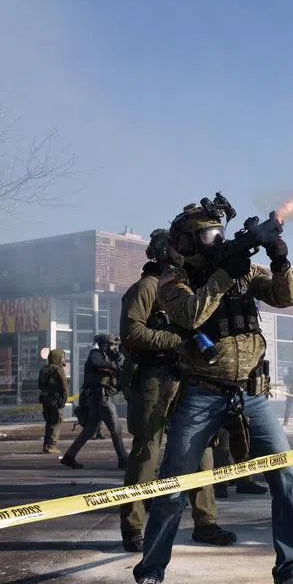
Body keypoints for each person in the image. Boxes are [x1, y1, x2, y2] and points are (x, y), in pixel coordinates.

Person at [133, 197, 293, 584]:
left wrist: (280, 259)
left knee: (285, 478)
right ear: (188, 240)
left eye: (220, 234)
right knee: (173, 486)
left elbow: (284, 297)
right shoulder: (173, 279)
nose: (217, 240)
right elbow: (189, 315)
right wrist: (221, 276)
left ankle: (290, 570)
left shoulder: (242, 271)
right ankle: (150, 574)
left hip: (251, 393)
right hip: (201, 393)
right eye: (209, 235)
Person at [118, 228, 236, 552]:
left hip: (188, 377)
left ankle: (206, 522)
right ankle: (133, 527)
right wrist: (176, 341)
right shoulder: (146, 288)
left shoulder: (183, 288)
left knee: (201, 450)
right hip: (155, 379)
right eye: (173, 247)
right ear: (161, 252)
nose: (181, 252)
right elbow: (130, 333)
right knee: (146, 453)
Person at [61, 334, 128, 470]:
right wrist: (114, 364)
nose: (113, 347)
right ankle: (123, 459)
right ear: (104, 345)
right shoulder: (95, 354)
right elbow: (97, 363)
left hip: (97, 399)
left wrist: (119, 359)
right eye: (111, 345)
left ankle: (69, 456)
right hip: (100, 398)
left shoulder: (107, 356)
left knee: (89, 430)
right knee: (116, 430)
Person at [38, 349, 69, 454]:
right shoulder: (58, 370)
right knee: (56, 423)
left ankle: (46, 445)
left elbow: (40, 386)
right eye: (62, 357)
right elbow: (64, 387)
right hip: (56, 400)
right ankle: (51, 446)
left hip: (45, 400)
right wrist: (64, 399)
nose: (64, 359)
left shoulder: (43, 369)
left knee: (49, 422)